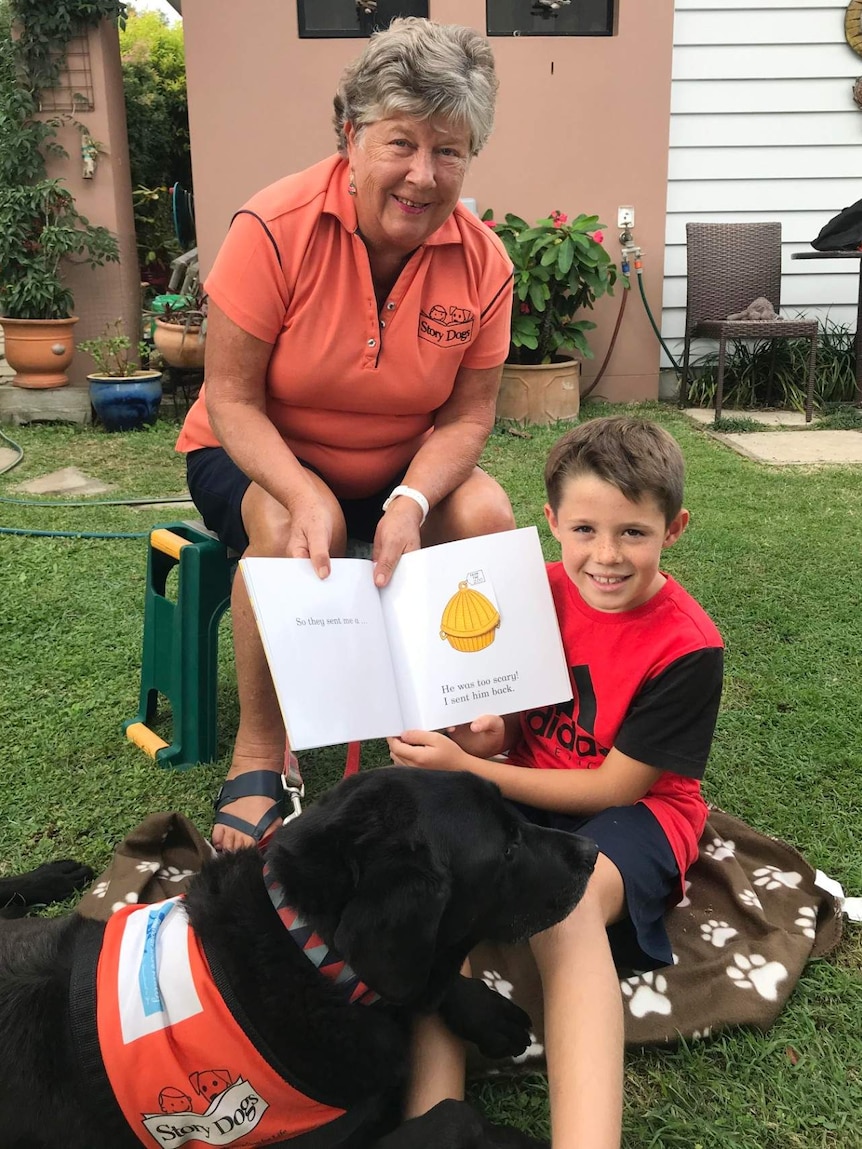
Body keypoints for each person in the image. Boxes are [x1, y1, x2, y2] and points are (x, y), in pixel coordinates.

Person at [175, 18, 516, 851]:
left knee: (486, 512)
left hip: (399, 462)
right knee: (285, 523)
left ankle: (464, 726)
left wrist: (409, 498)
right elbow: (231, 399)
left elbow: (467, 415)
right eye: (401, 142)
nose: (423, 174)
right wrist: (302, 487)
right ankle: (261, 750)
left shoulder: (485, 262)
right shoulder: (272, 227)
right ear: (350, 136)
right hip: (255, 453)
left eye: (450, 150)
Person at [388, 416, 724, 1148]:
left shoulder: (689, 646)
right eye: (584, 530)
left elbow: (615, 789)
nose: (606, 555)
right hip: (529, 784)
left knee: (561, 908)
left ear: (676, 528)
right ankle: (431, 1121)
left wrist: (474, 769)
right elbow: (513, 720)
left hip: (637, 814)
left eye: (633, 532)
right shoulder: (531, 591)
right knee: (428, 880)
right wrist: (490, 737)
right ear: (551, 523)